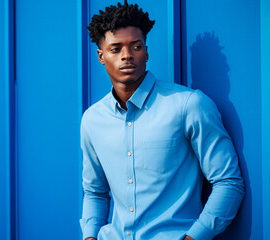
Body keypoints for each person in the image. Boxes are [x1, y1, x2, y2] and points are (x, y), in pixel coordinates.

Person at [79, 1, 245, 240]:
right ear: (101, 56)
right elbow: (94, 191)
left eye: (135, 47)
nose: (127, 56)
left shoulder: (188, 105)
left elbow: (228, 182)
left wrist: (194, 237)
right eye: (116, 49)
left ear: (146, 51)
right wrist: (90, 236)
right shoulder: (92, 120)